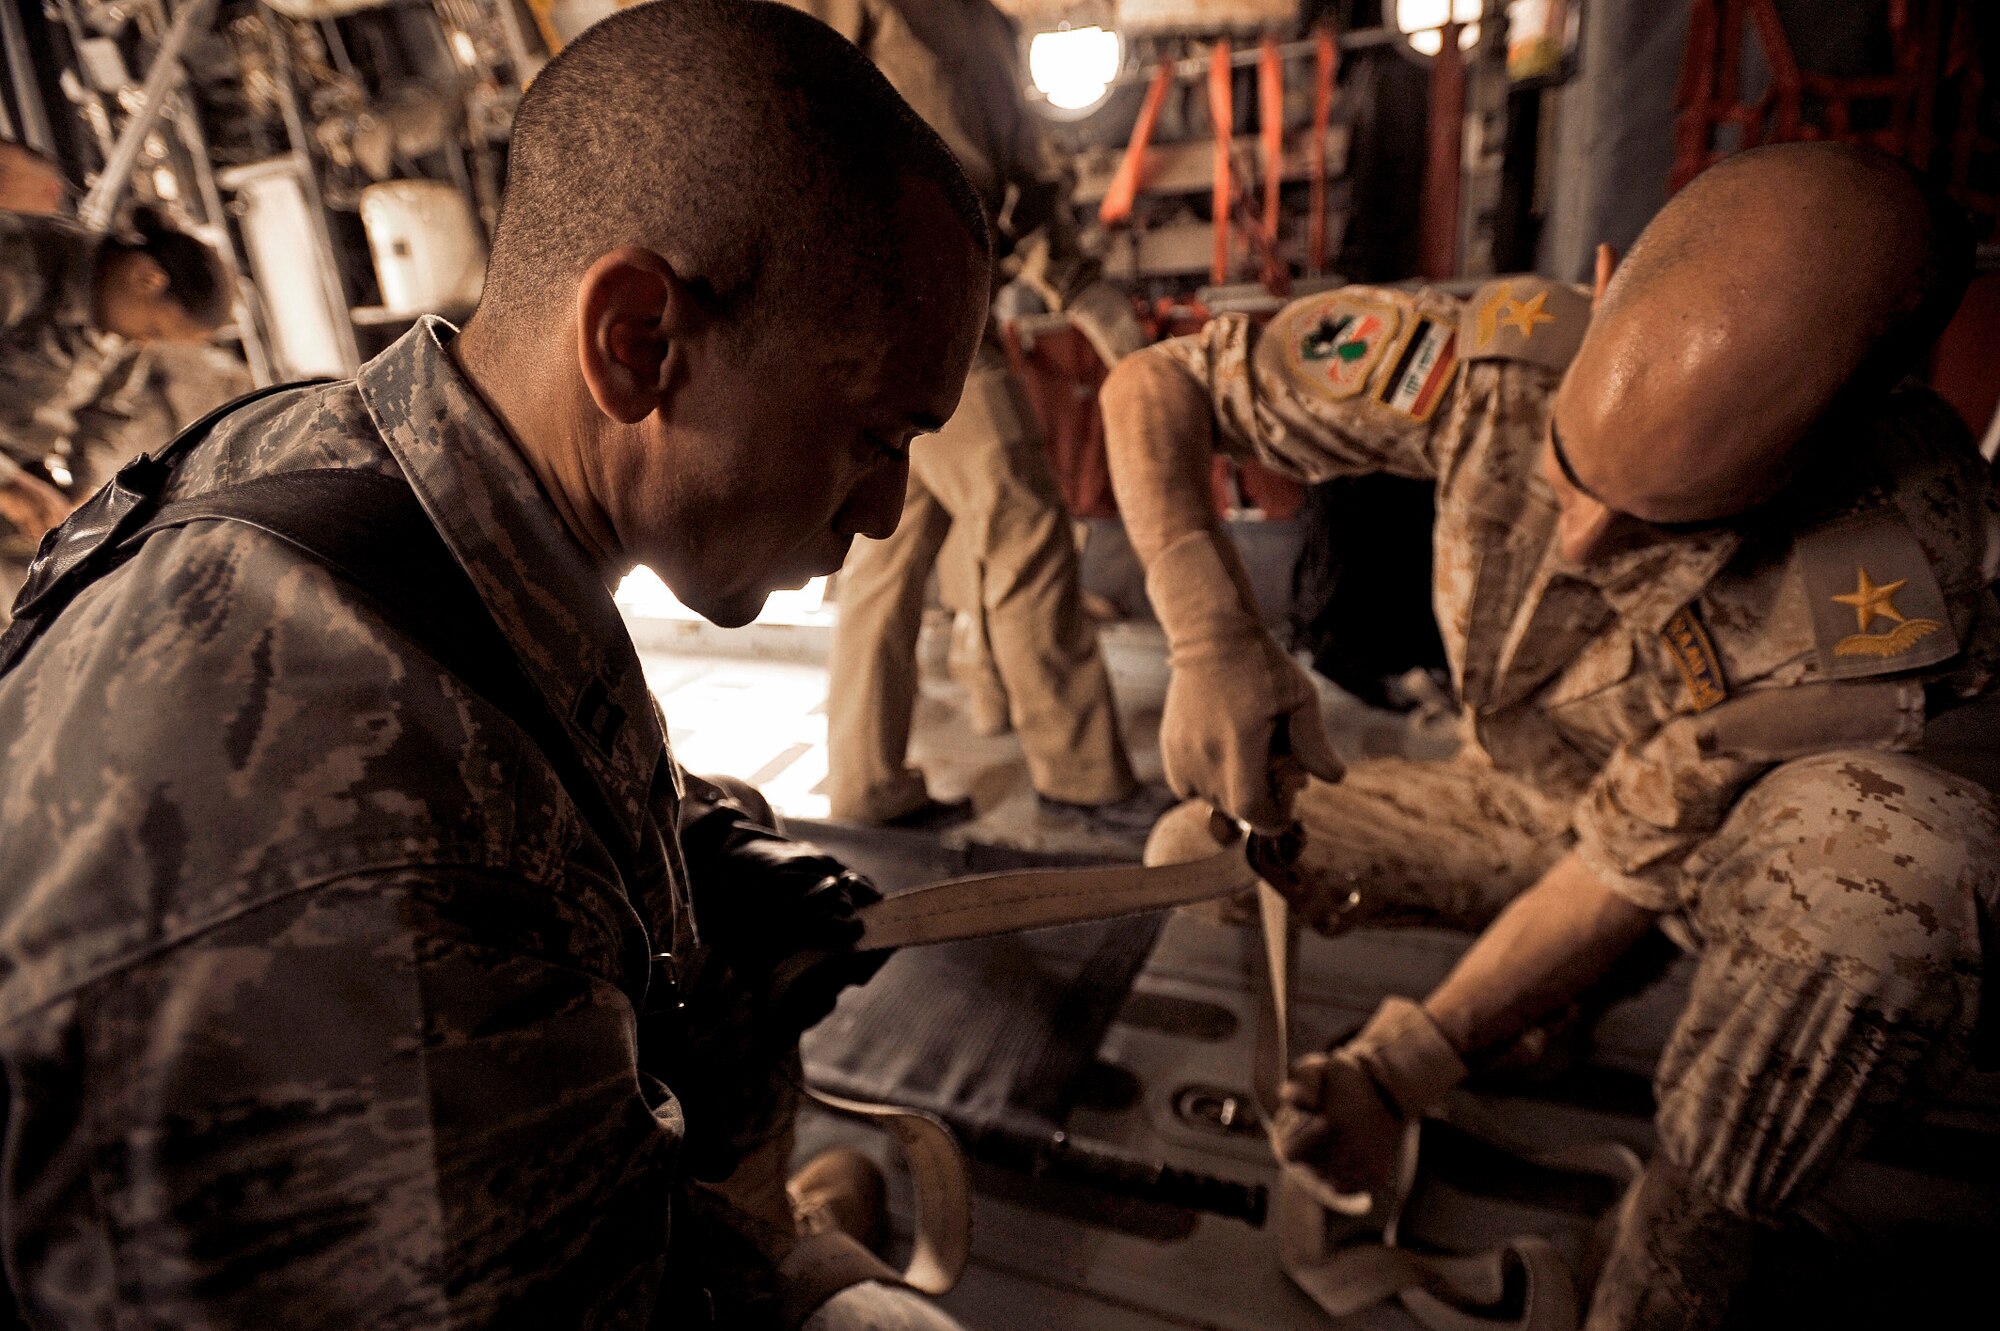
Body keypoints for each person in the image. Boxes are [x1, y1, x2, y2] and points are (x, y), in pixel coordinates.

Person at [0, 3, 993, 1328]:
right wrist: (746, 1094)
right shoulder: (389, 878)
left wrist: (684, 840)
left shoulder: (326, 460)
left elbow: (496, 718)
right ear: (638, 340)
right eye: (876, 433)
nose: (886, 508)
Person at [1102, 141, 1998, 1328]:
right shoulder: (1507, 353)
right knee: (1199, 847)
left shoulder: (1873, 590)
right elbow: (1157, 384)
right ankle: (1553, 1019)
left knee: (1896, 878)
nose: (1579, 540)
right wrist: (1210, 629)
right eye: (1573, 469)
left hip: (1721, 857)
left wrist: (1397, 1068)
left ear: (1835, 447)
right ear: (1606, 278)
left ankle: (1691, 1228)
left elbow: (1624, 869)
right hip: (1538, 797)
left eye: (1659, 520)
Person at [779, 0, 1163, 838]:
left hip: (950, 316)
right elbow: (786, 109)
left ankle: (867, 780)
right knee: (1026, 523)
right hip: (895, 317)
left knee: (887, 560)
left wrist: (1122, 334)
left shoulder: (985, 27)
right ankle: (1083, 775)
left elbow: (1030, 199)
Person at [0, 205, 234, 619]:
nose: (146, 342)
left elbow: (106, 414)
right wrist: (9, 484)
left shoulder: (118, 332)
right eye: (155, 330)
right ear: (146, 278)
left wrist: (81, 493)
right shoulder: (24, 261)